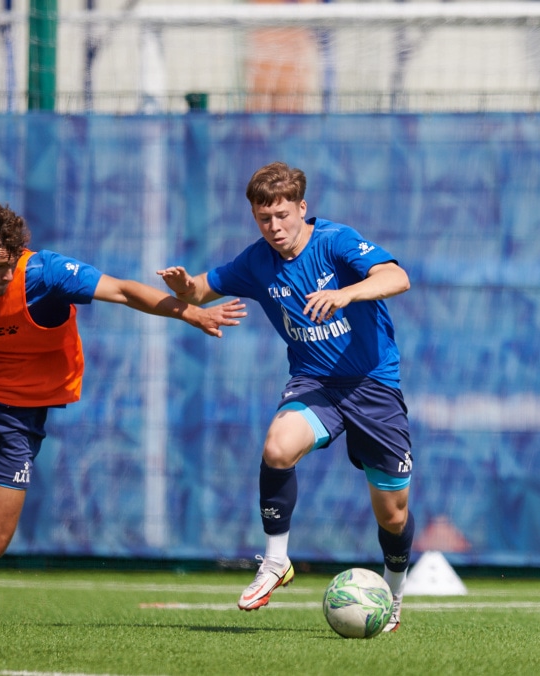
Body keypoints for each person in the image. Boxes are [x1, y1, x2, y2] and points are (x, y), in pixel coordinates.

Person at [0, 199, 246, 629]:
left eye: (12, 263)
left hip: (18, 408)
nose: (8, 274)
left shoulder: (43, 273)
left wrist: (192, 313)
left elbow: (124, 290)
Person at [158, 162, 414, 632]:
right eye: (264, 218)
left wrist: (346, 294)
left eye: (282, 215)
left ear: (302, 207)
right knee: (277, 447)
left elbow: (397, 277)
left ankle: (393, 593)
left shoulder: (335, 241)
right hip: (315, 383)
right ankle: (276, 561)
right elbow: (201, 289)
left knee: (393, 516)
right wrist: (185, 288)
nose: (274, 227)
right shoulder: (257, 261)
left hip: (373, 385)